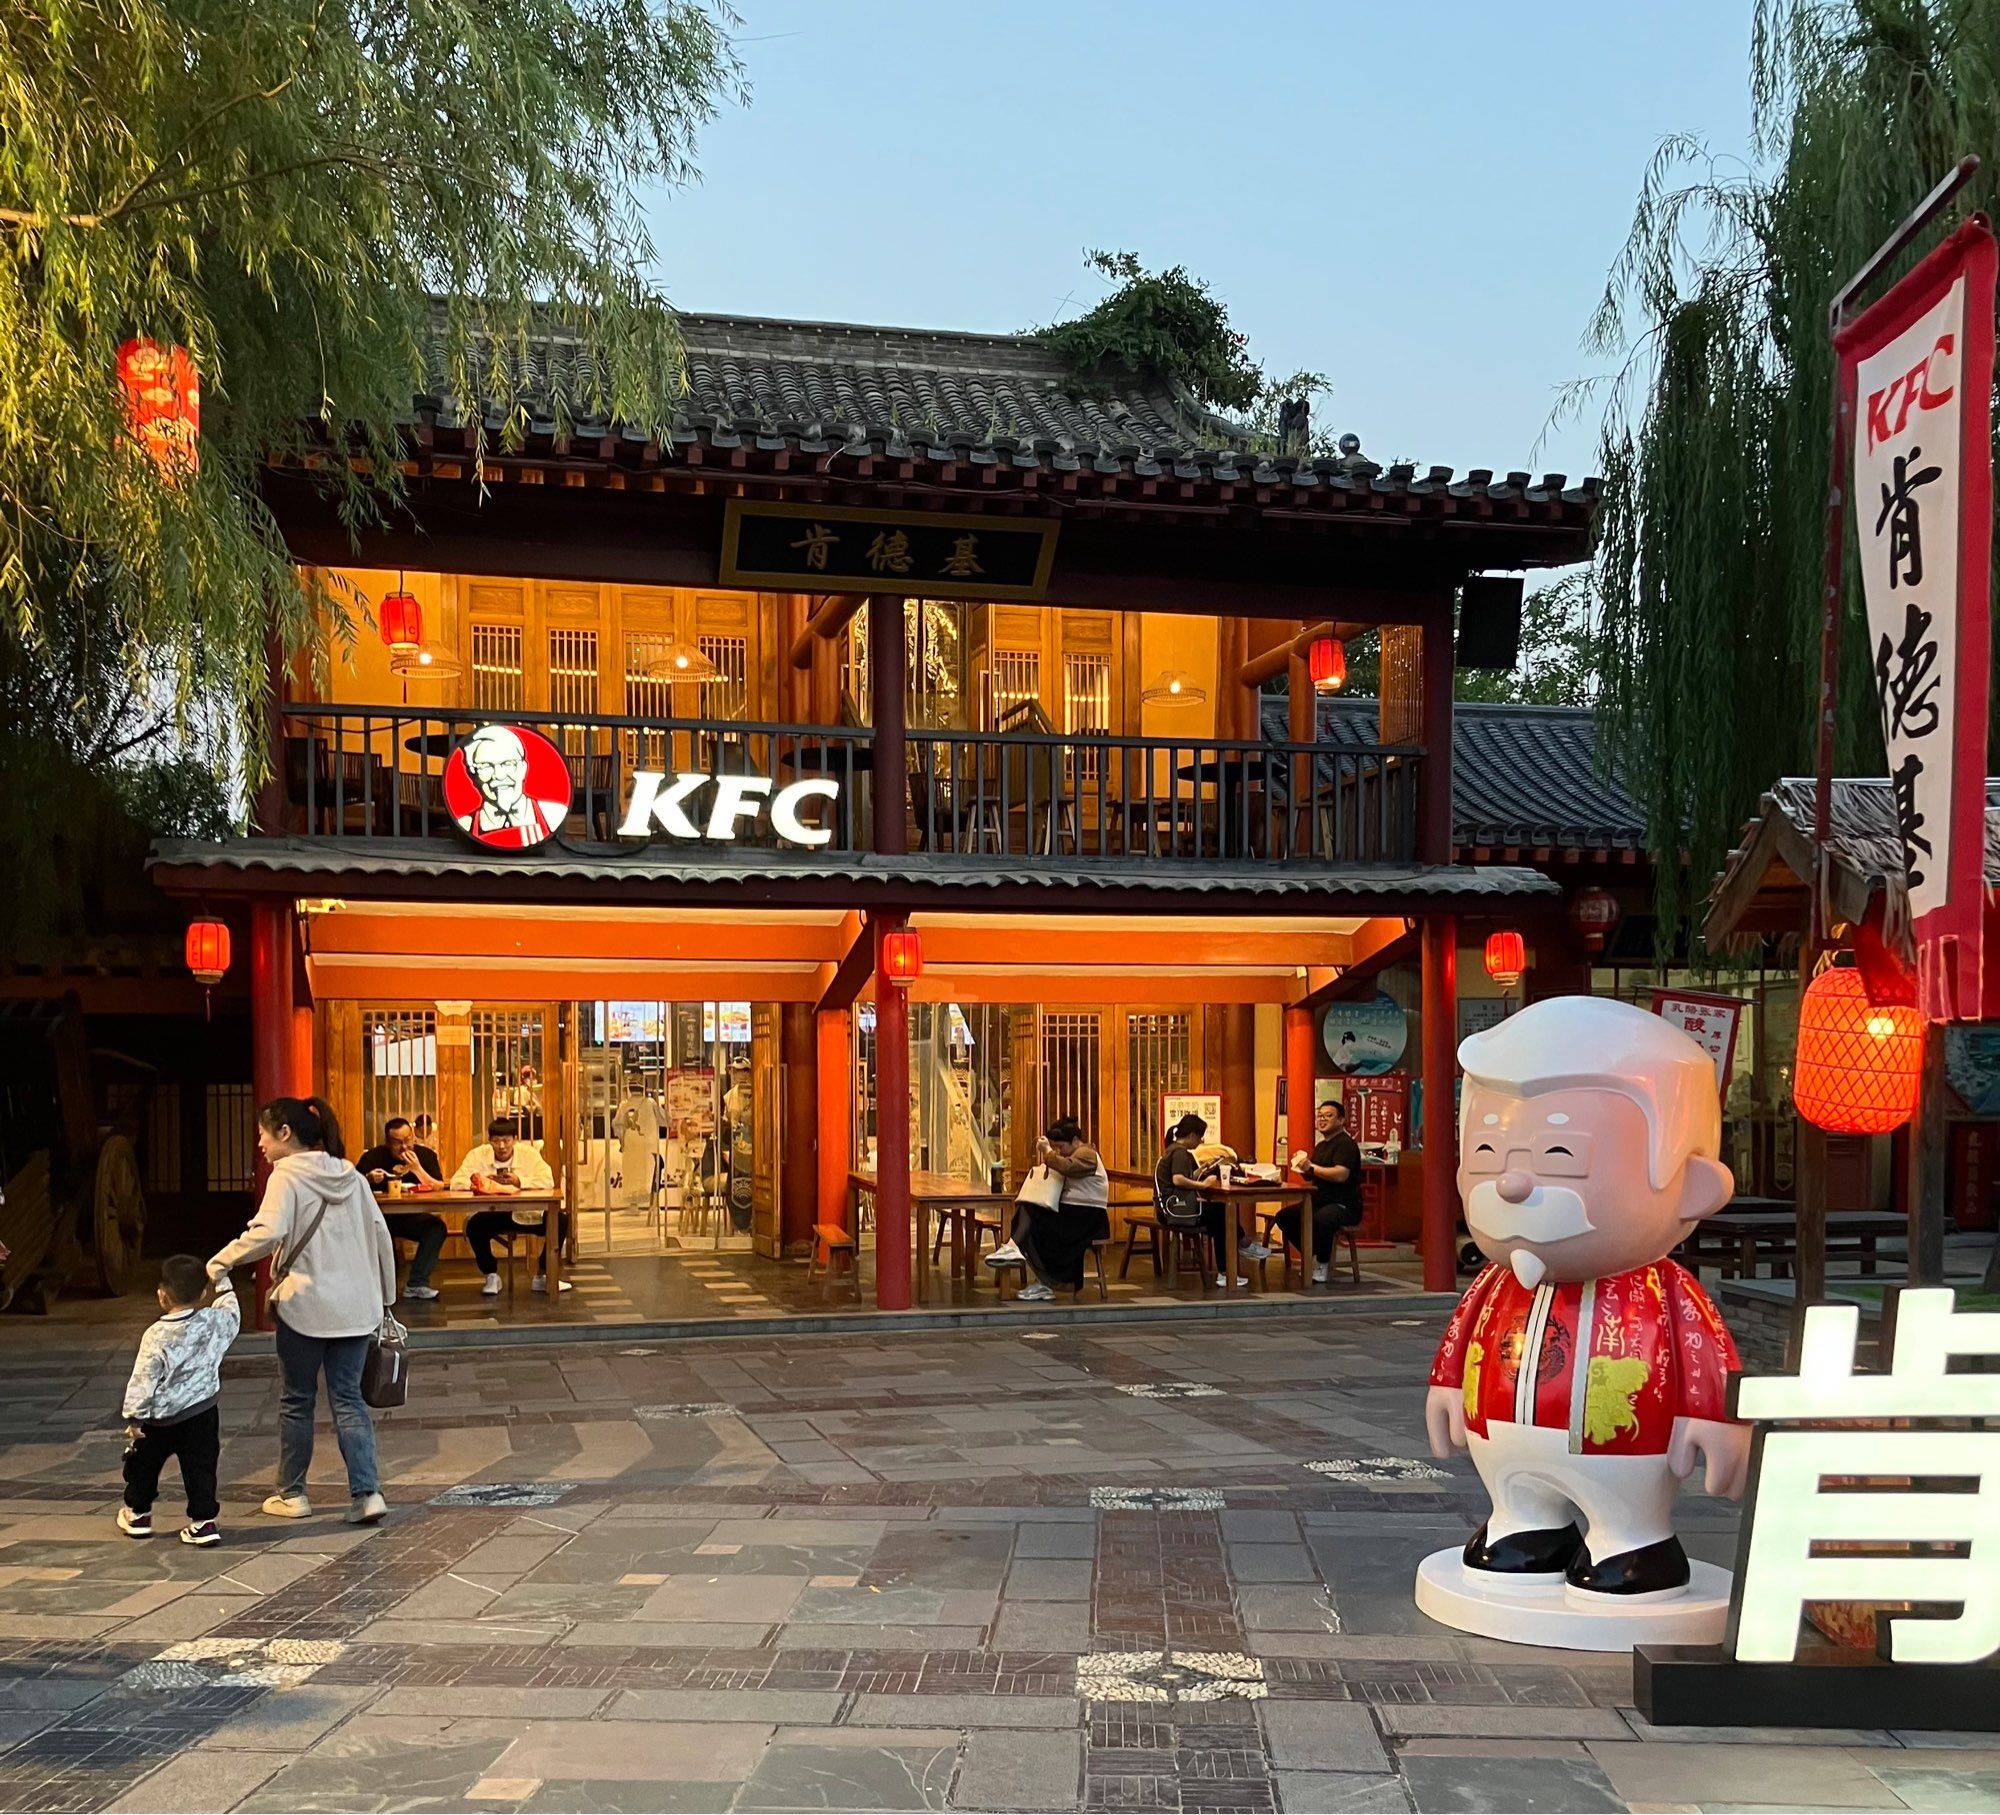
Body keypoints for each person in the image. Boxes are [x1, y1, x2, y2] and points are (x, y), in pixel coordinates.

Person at [208, 1095, 396, 1526]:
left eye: (263, 1133)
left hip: (306, 1307)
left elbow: (268, 1231)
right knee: (349, 1399)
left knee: (297, 1401)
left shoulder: (286, 1176)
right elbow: (380, 1238)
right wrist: (385, 1301)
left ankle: (292, 1494)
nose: (260, 1143)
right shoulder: (353, 1176)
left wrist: (219, 1262)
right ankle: (367, 1493)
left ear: (285, 1133)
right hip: (356, 1309)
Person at [118, 1255, 240, 1546]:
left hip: (158, 1420)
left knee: (142, 1466)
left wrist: (134, 1418)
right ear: (201, 1294)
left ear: (161, 1295)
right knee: (201, 1468)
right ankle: (203, 1522)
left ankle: (138, 1514)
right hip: (201, 1414)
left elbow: (143, 1379)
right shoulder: (213, 1322)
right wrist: (221, 1279)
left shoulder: (155, 1336)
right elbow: (232, 1311)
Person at [454, 1116, 568, 1296]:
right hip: (491, 1214)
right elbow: (456, 1182)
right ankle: (491, 1274)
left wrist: (520, 1181)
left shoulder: (529, 1154)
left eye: (506, 1140)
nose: (501, 1146)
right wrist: (481, 1182)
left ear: (515, 1139)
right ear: (489, 1140)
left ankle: (544, 1274)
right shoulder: (477, 1155)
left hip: (527, 1213)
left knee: (560, 1220)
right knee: (475, 1226)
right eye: (496, 1141)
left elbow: (548, 1180)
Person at [1001, 1116, 1109, 1303]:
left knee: (1033, 1217)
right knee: (1029, 1211)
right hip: (1074, 1213)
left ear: (1075, 1141)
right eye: (1056, 1147)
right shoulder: (1077, 1152)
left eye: (1061, 1147)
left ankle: (1017, 1252)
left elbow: (1068, 1167)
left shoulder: (1087, 1153)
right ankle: (1017, 1253)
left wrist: (1049, 1152)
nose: (1060, 1151)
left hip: (1087, 1217)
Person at [1152, 1112, 1261, 1287]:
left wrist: (1201, 1170)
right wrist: (1203, 1185)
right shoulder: (1180, 1152)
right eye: (1200, 1138)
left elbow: (1181, 1177)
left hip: (1168, 1209)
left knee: (1220, 1222)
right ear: (1192, 1135)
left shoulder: (1172, 1150)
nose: (1200, 1142)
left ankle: (1229, 1267)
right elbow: (1178, 1179)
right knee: (1222, 1214)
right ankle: (1238, 1251)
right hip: (1176, 1211)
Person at [355, 1116, 448, 1301]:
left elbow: (439, 1187)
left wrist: (417, 1169)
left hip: (411, 1216)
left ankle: (417, 1283)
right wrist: (368, 1178)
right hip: (379, 1217)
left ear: (413, 1137)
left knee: (436, 1228)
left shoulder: (426, 1155)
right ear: (388, 1143)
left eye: (408, 1140)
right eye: (397, 1143)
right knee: (379, 1237)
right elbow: (352, 1186)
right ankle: (377, 1289)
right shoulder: (373, 1157)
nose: (404, 1147)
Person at [1282, 1098, 1365, 1284]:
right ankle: (1313, 1252)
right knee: (1286, 1216)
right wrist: (1302, 1167)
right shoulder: (1321, 1146)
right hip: (1321, 1201)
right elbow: (1313, 1174)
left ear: (1341, 1120)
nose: (1322, 1119)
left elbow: (1340, 1175)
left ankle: (1323, 1263)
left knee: (1323, 1219)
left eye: (1329, 1116)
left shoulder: (1346, 1144)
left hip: (1344, 1204)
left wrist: (1311, 1167)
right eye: (1320, 1116)